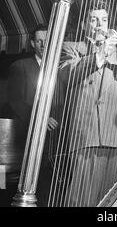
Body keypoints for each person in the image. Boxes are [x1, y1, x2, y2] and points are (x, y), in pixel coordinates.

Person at [58, 0, 117, 207]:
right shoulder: (72, 48)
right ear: (83, 25)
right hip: (89, 134)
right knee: (82, 200)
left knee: (115, 202)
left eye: (104, 20)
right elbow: (66, 74)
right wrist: (100, 54)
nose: (100, 24)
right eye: (93, 20)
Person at [7, 24, 58, 206]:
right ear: (32, 44)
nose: (44, 45)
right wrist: (40, 118)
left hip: (55, 145)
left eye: (47, 41)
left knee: (48, 192)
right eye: (39, 41)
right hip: (28, 142)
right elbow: (15, 101)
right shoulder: (20, 66)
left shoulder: (61, 68)